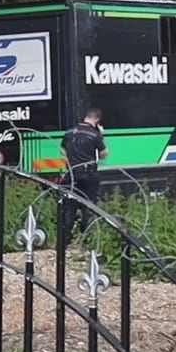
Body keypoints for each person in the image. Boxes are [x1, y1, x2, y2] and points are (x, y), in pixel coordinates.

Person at [59, 107, 108, 250]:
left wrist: (68, 160)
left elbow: (62, 150)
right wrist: (102, 135)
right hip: (89, 174)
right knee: (89, 206)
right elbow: (104, 153)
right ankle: (87, 240)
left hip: (72, 174)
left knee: (69, 207)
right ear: (97, 120)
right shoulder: (94, 135)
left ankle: (64, 240)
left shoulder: (69, 132)